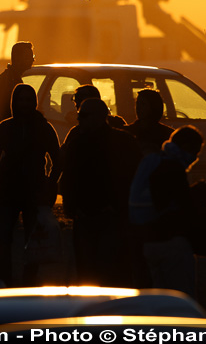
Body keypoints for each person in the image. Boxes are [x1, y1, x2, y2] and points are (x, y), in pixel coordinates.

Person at [60, 98, 142, 287]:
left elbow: (135, 178)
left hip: (112, 218)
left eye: (83, 116)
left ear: (99, 117)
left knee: (112, 273)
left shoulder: (124, 142)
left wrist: (119, 208)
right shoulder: (77, 144)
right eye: (79, 116)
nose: (79, 120)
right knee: (89, 274)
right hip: (88, 218)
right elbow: (69, 179)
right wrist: (72, 209)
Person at [0, 83, 60, 286]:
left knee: (33, 241)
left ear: (34, 102)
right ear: (14, 102)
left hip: (33, 193)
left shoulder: (44, 128)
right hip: (7, 191)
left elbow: (58, 160)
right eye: (20, 99)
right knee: (3, 240)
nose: (24, 104)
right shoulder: (5, 128)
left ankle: (29, 282)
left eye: (28, 100)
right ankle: (4, 282)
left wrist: (49, 185)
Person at [141, 126, 206, 298]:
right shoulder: (173, 166)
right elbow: (183, 205)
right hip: (169, 241)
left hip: (149, 240)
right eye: (195, 151)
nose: (195, 157)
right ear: (186, 146)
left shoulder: (155, 162)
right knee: (180, 298)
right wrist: (203, 192)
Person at [0, 41, 35, 141]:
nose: (32, 60)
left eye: (32, 56)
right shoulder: (12, 80)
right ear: (17, 59)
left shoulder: (9, 77)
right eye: (27, 57)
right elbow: (7, 111)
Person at [123, 89, 174, 154]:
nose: (138, 107)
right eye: (137, 103)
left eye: (143, 104)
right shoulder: (127, 132)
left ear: (154, 107)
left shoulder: (168, 136)